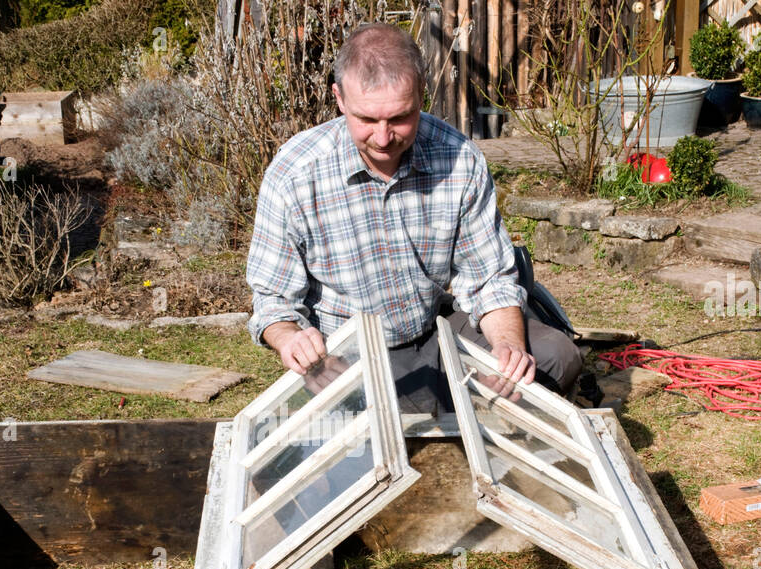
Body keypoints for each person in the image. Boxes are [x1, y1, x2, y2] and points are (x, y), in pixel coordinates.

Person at [246, 21, 582, 414]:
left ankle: (489, 424)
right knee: (392, 417)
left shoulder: (458, 159)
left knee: (555, 357)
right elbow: (273, 300)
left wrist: (509, 346)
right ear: (339, 98)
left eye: (400, 118)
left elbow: (490, 279)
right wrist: (291, 340)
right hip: (348, 351)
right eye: (367, 120)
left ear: (422, 95)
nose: (384, 138)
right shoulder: (294, 174)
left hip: (435, 325)